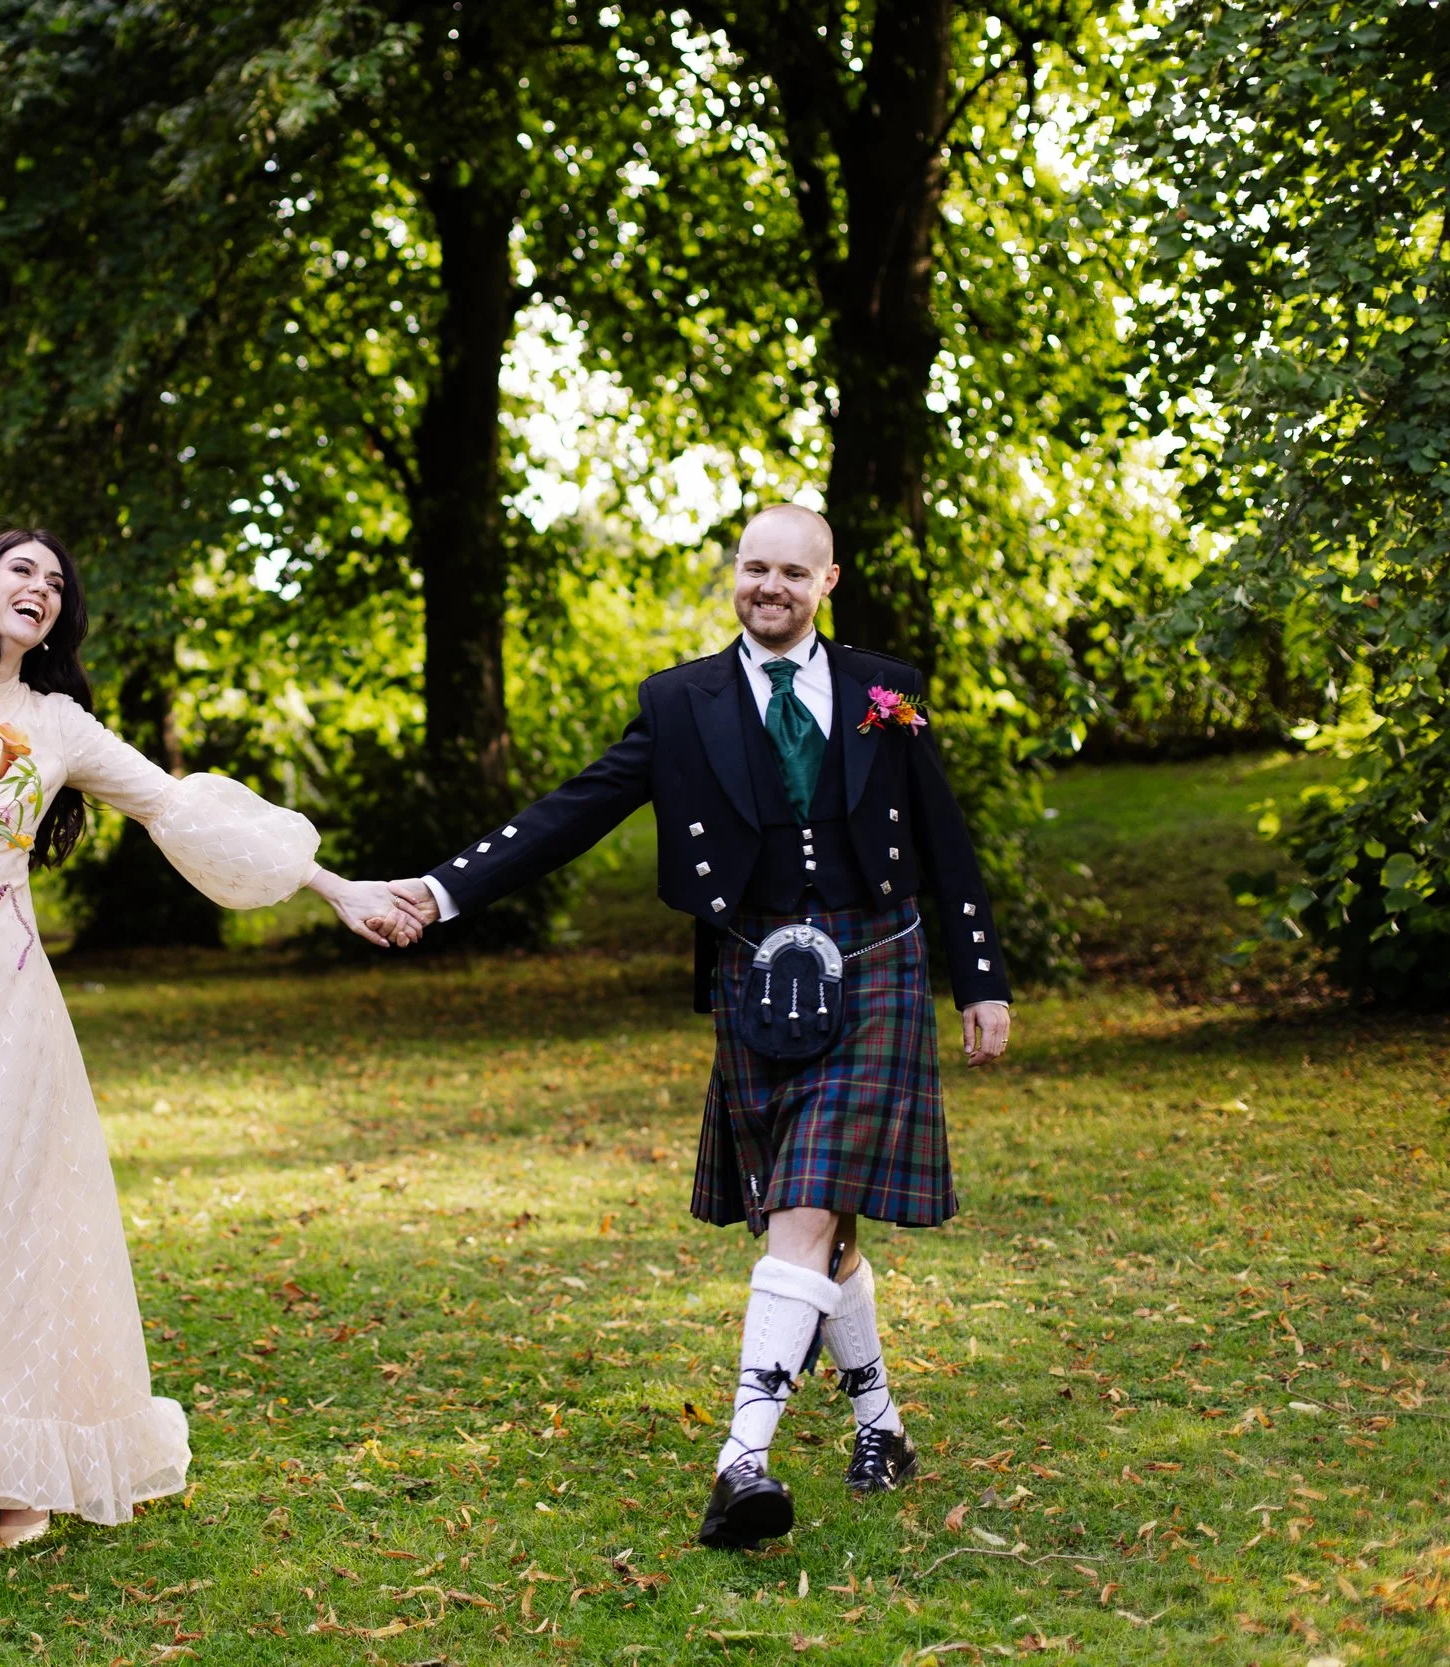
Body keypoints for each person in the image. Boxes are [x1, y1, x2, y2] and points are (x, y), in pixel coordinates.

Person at [0, 529, 416, 1605]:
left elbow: (180, 806)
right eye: (21, 569)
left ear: (59, 617)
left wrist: (333, 886)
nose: (39, 586)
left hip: (5, 1010)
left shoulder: (57, 724)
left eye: (56, 581)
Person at [386, 504, 1012, 1550]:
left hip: (877, 961)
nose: (769, 586)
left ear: (827, 581)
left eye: (792, 572)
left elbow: (944, 835)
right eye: (754, 567)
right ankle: (881, 1427)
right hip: (757, 972)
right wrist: (441, 890)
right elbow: (574, 809)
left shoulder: (883, 689)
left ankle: (742, 1459)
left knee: (803, 1205)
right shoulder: (681, 701)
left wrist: (980, 976)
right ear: (736, 574)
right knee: (822, 1222)